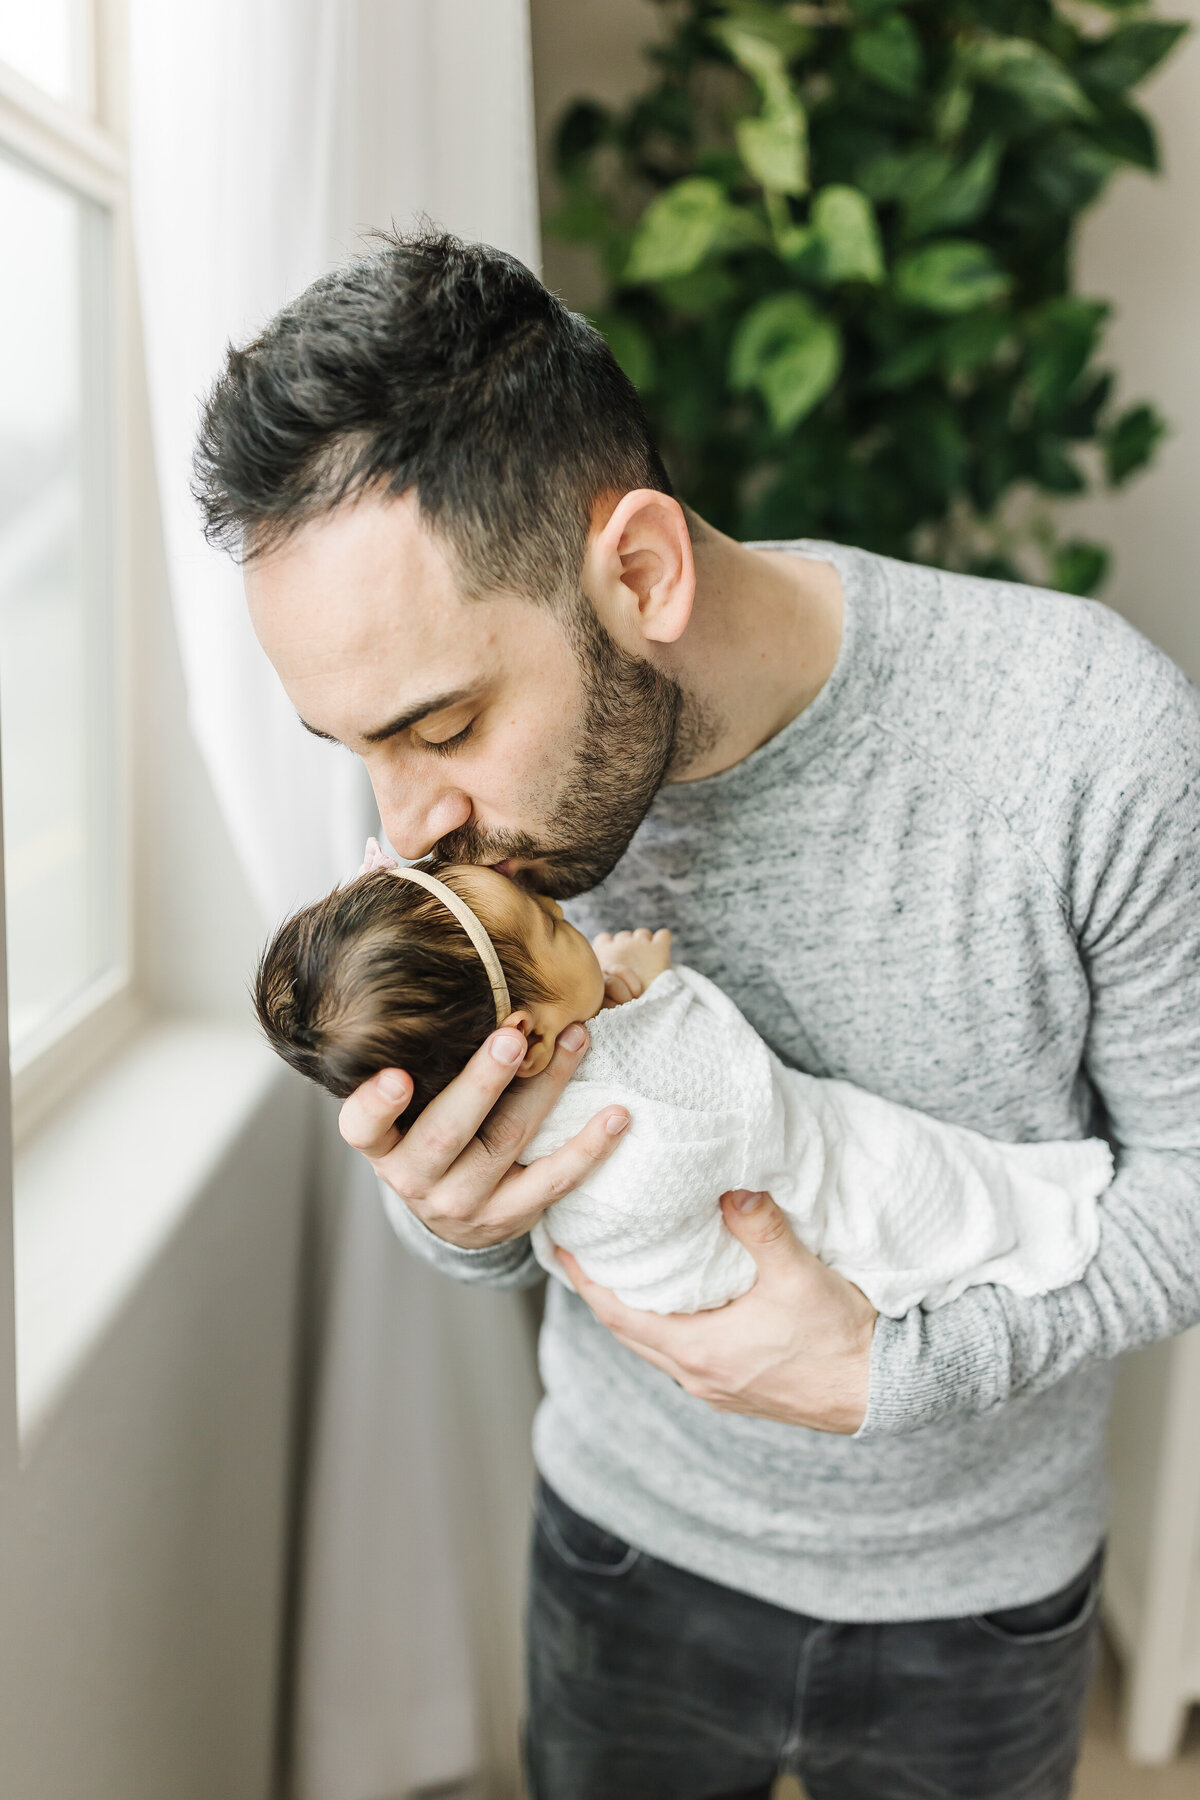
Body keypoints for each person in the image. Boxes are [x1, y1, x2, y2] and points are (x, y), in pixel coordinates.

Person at [194, 230, 1200, 1799]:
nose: (402, 828)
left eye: (441, 725)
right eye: (353, 748)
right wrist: (456, 1213)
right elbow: (501, 1225)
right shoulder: (469, 830)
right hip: (620, 1552)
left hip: (975, 1604)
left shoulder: (1087, 743)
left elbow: (1194, 1190)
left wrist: (896, 1376)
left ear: (641, 572)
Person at [254, 850, 1112, 1319]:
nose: (564, 908)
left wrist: (604, 992)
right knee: (928, 1186)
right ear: (524, 1040)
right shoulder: (588, 1103)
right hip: (691, 1300)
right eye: (558, 928)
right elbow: (731, 1108)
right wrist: (659, 992)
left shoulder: (556, 1032)